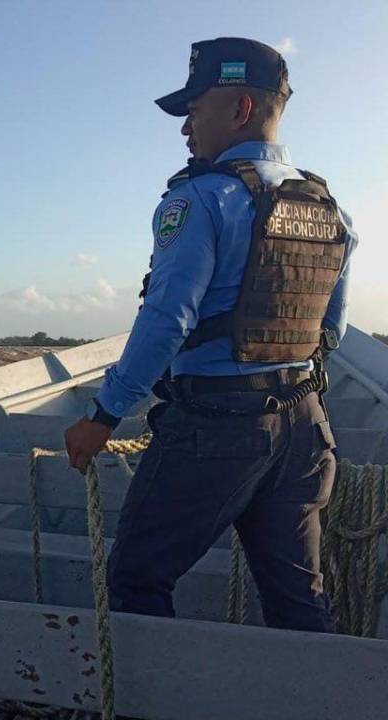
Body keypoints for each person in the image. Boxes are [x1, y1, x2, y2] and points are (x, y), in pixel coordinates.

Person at [63, 37, 358, 633]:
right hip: (305, 426)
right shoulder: (331, 209)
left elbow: (166, 320)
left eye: (195, 110)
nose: (186, 129)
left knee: (137, 579)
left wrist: (103, 414)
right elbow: (334, 329)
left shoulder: (198, 199)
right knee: (299, 599)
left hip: (217, 429)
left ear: (240, 110)